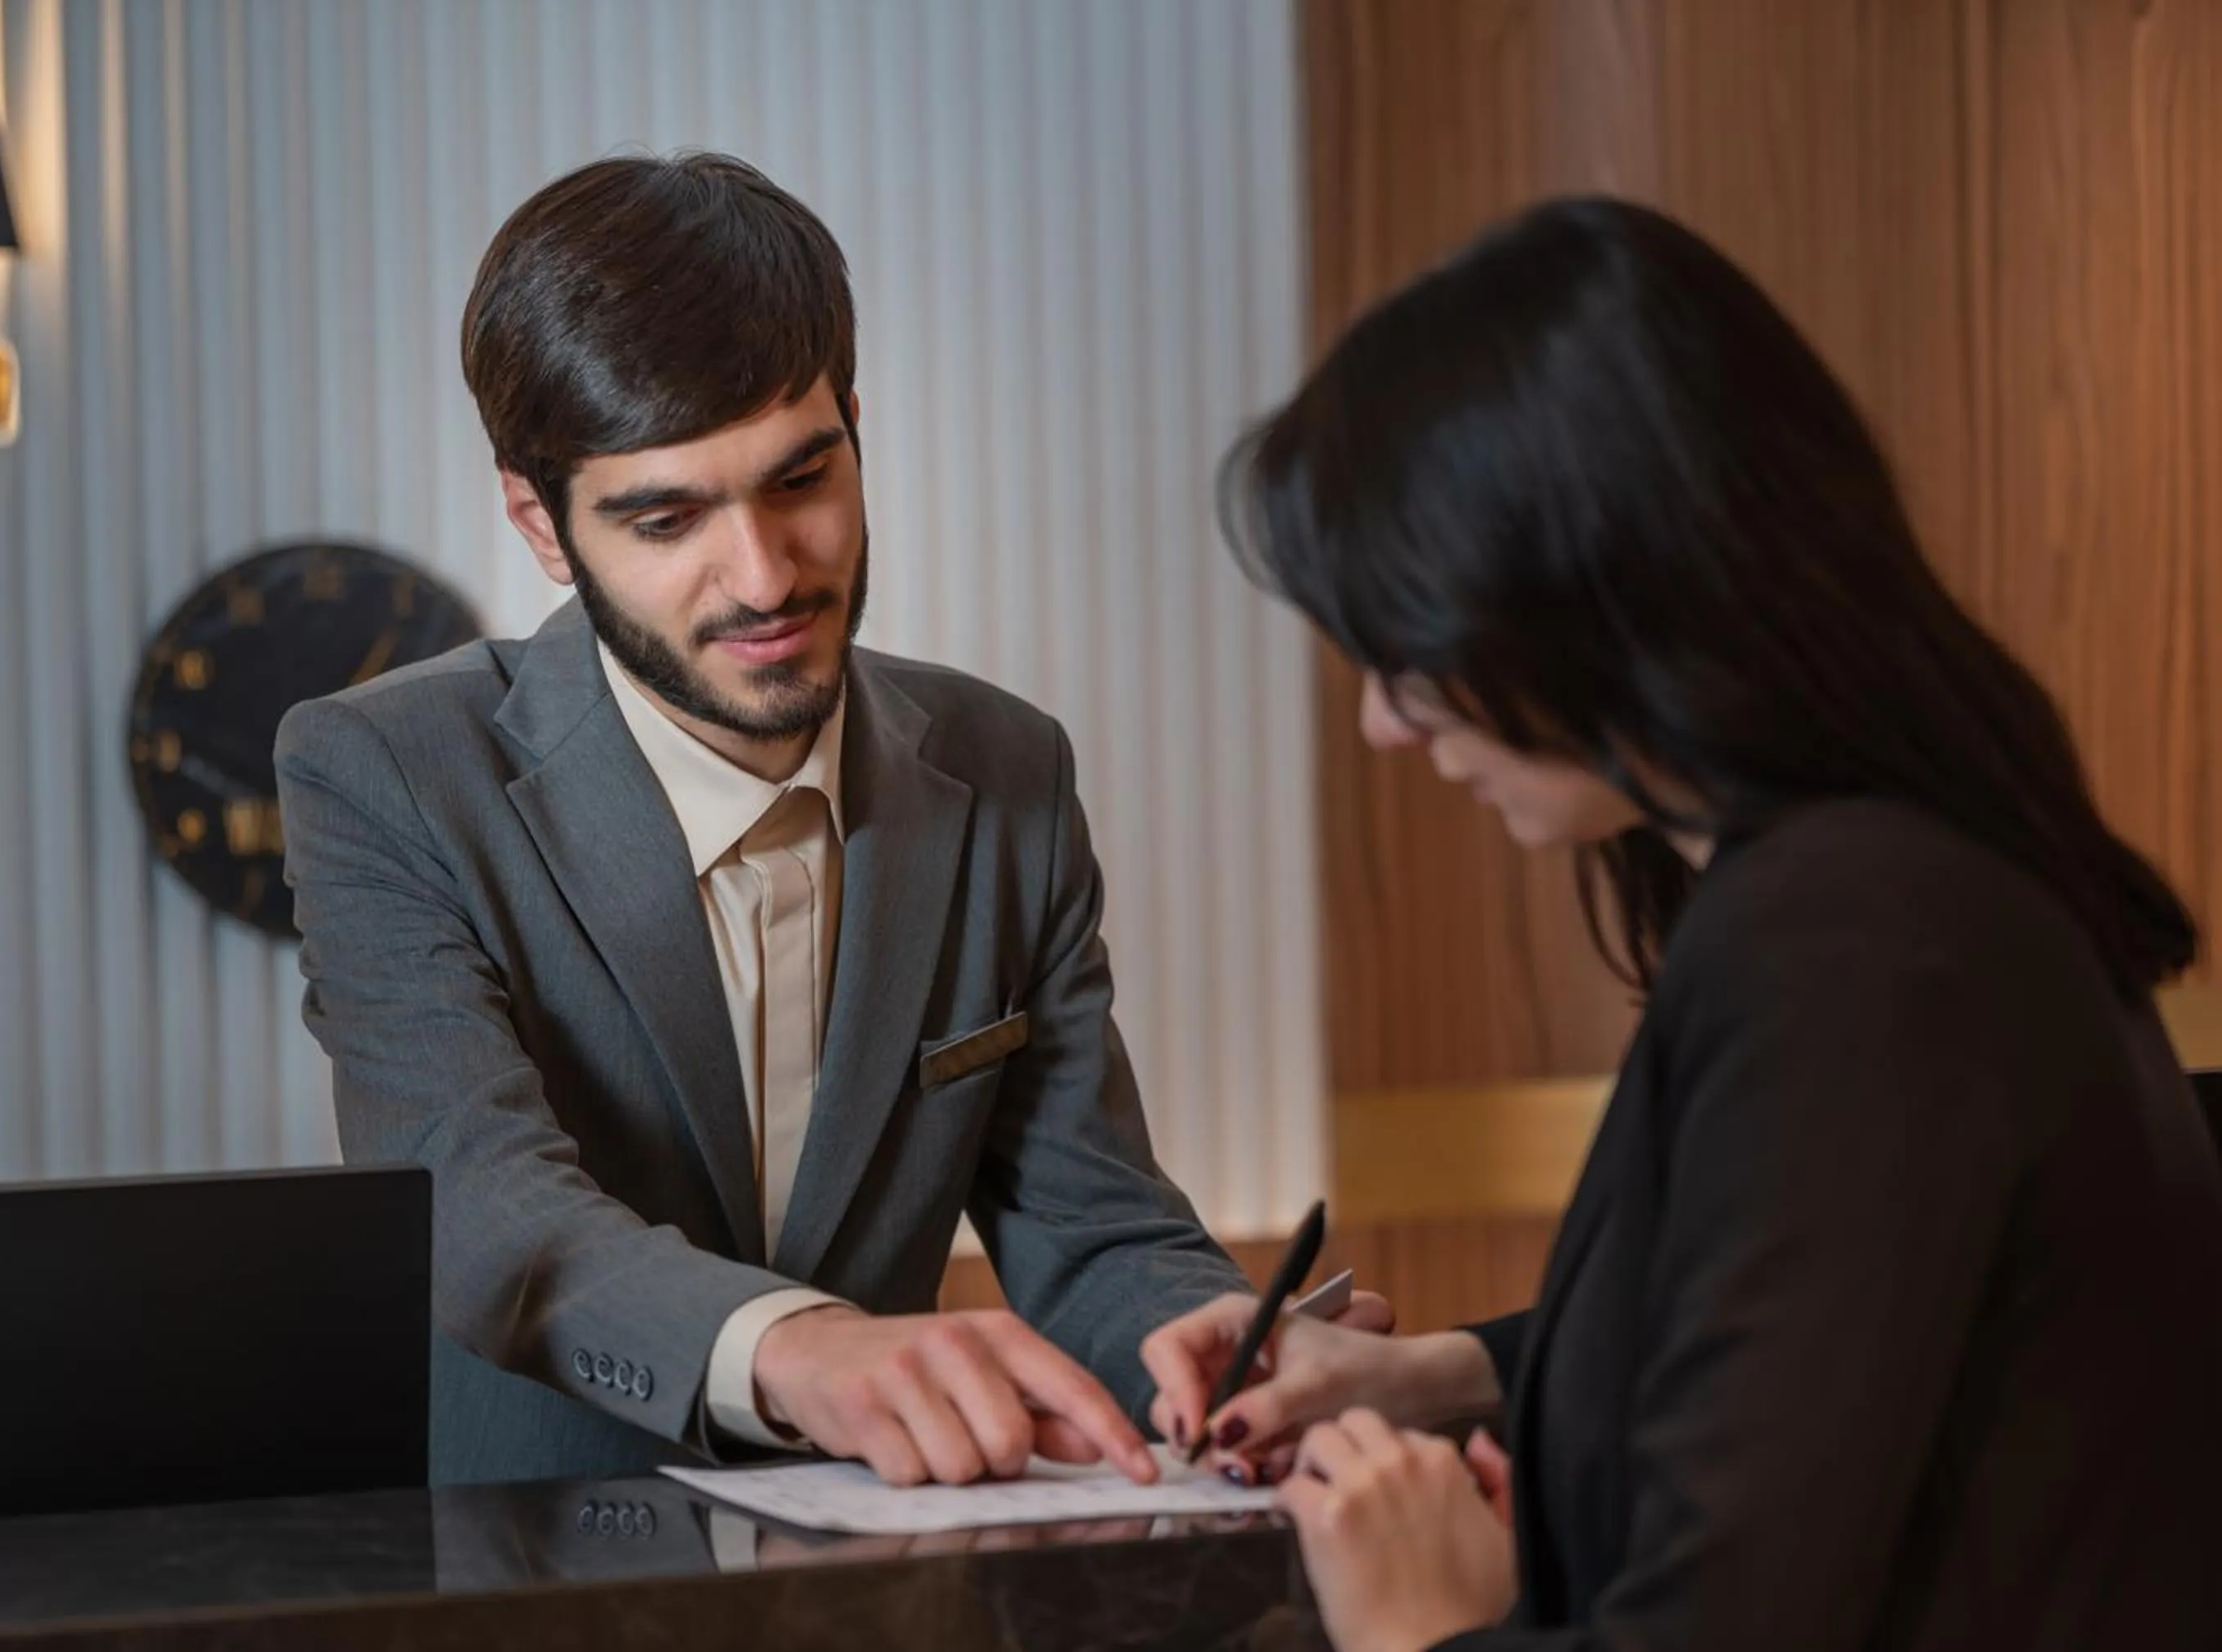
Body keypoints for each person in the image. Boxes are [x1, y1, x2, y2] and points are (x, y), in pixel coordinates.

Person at [1141, 196, 2222, 1649]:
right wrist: (1428, 1375)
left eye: (1409, 648)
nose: (1385, 720)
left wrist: (1426, 1628)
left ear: (1585, 592)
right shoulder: (1894, 886)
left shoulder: (1850, 945)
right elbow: (1799, 1341)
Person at [275, 153, 1344, 1489]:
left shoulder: (1011, 770)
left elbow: (1092, 1225)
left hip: (888, 1574)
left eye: (801, 479)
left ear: (857, 425)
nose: (767, 575)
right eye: (667, 517)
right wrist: (803, 1346)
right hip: (538, 1573)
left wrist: (1215, 1347)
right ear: (540, 524)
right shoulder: (383, 772)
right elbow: (480, 1203)